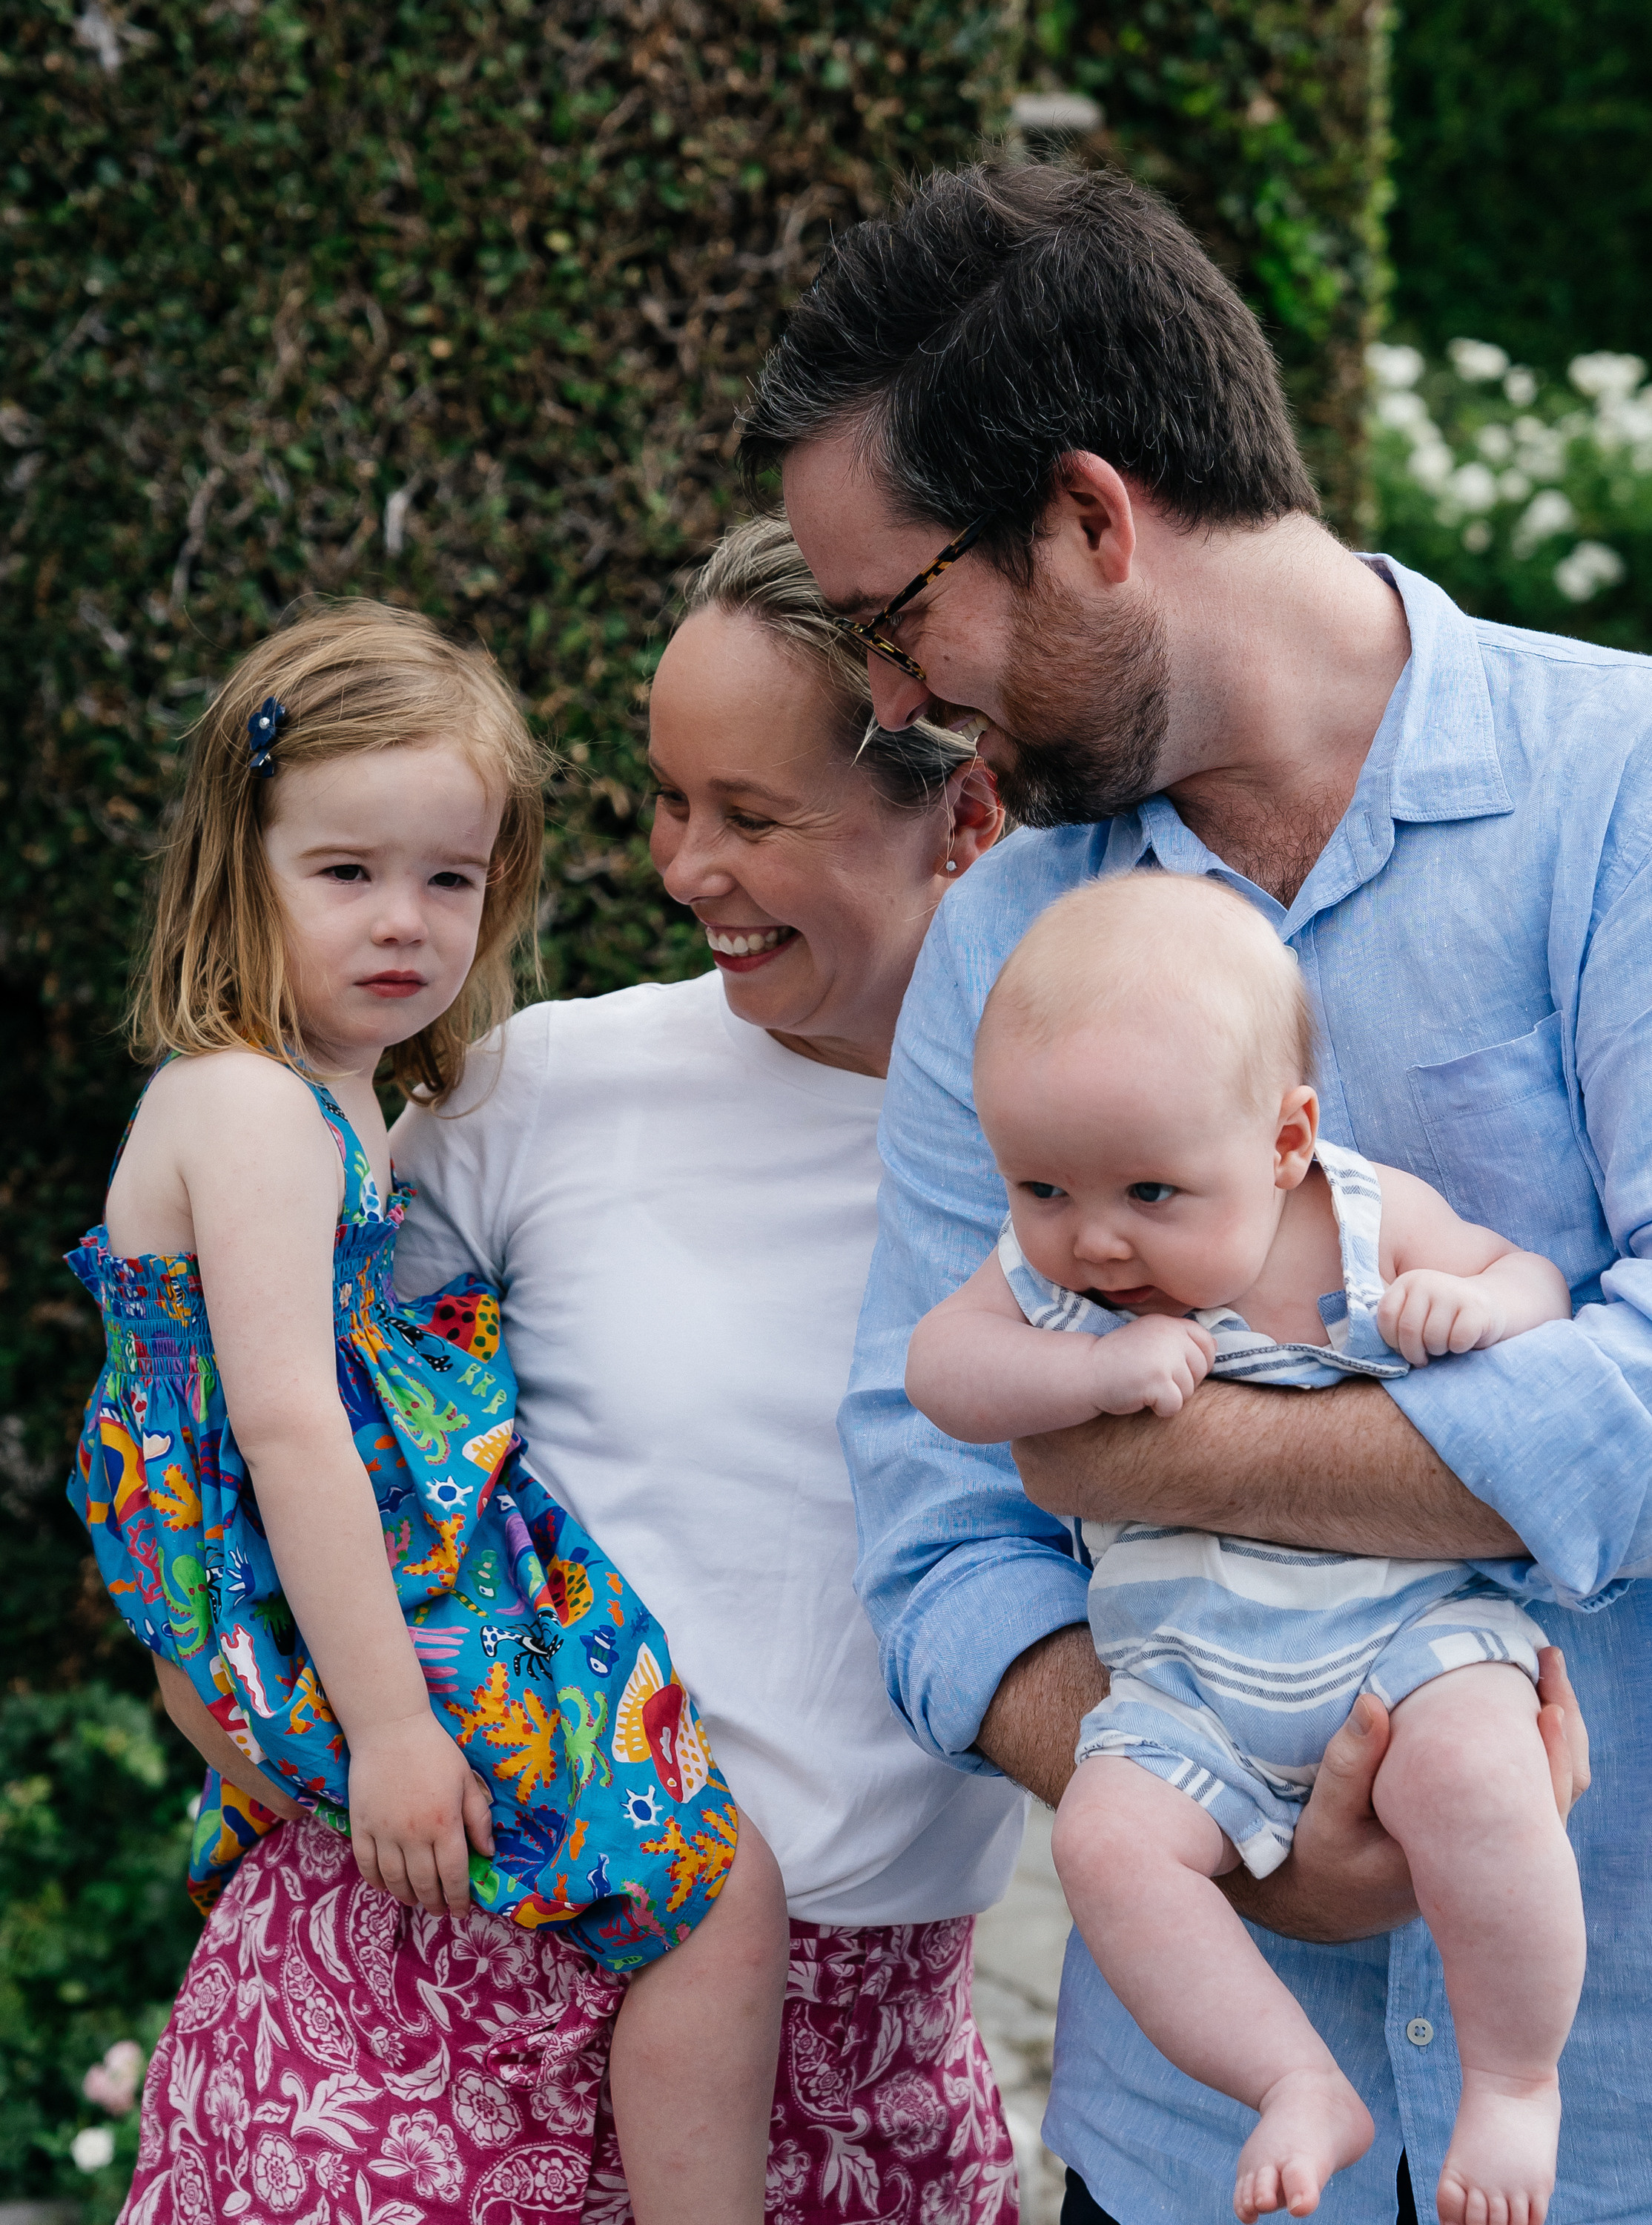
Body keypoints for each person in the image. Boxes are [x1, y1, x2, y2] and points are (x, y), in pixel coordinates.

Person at [743, 158, 1629, 2225]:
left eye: (894, 619)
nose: (887, 704)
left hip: (1613, 2114)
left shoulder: (1624, 803)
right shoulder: (1001, 938)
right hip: (1192, 2146)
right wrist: (1200, 1808)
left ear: (1086, 519)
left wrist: (1139, 1453)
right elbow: (931, 1517)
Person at [66, 598, 787, 2225]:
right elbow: (285, 1426)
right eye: (345, 873)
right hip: (372, 1592)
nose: (405, 920)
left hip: (373, 1570)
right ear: (234, 870)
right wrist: (389, 1728)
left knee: (709, 1884)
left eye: (447, 879)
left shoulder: (343, 1093)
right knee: (723, 1888)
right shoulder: (249, 1103)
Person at [390, 513, 1028, 2222]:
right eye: (673, 800)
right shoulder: (536, 1094)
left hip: (863, 2091)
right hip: (438, 2056)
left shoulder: (1091, 1172)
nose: (682, 867)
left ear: (963, 816)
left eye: (750, 816)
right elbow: (262, 1450)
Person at [908, 873, 1580, 2224]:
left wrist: (1476, 1300)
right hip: (1183, 1696)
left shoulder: (1366, 1217)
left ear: (1285, 1143)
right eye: (1041, 1187)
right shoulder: (1056, 1280)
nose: (1096, 1240)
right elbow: (940, 1372)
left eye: (1153, 1191)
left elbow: (1537, 1283)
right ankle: (1292, 2079)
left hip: (1403, 1647)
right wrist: (1081, 1381)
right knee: (1105, 1849)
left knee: (1483, 1773)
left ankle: (1515, 2079)